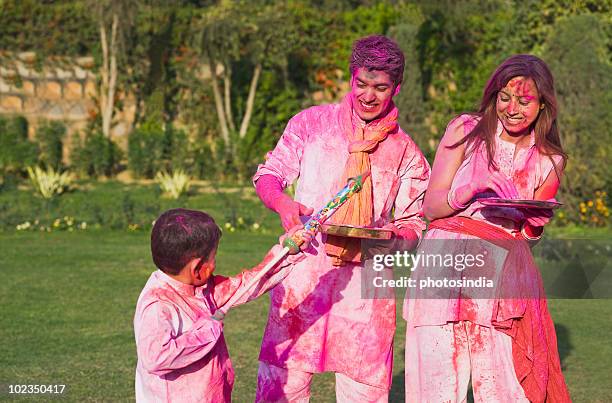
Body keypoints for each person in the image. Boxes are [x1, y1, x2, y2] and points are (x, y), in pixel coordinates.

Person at [253, 35, 430, 402]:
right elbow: (269, 175)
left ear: (396, 87)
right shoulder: (310, 123)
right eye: (361, 84)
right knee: (279, 391)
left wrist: (393, 241)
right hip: (302, 280)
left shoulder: (406, 151)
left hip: (366, 291)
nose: (368, 95)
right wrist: (284, 205)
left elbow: (415, 224)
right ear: (351, 78)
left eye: (380, 88)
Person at [403, 54, 571, 402]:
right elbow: (431, 208)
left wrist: (535, 229)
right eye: (504, 97)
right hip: (442, 266)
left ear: (543, 105)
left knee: (501, 390)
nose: (512, 108)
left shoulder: (549, 159)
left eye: (524, 101)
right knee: (434, 388)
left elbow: (526, 236)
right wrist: (471, 187)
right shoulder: (466, 129)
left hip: (500, 279)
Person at [133, 208, 311, 403]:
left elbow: (248, 285)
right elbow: (156, 357)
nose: (215, 263)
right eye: (214, 257)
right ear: (198, 268)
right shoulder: (158, 304)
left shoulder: (204, 289)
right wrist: (207, 331)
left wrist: (286, 253)